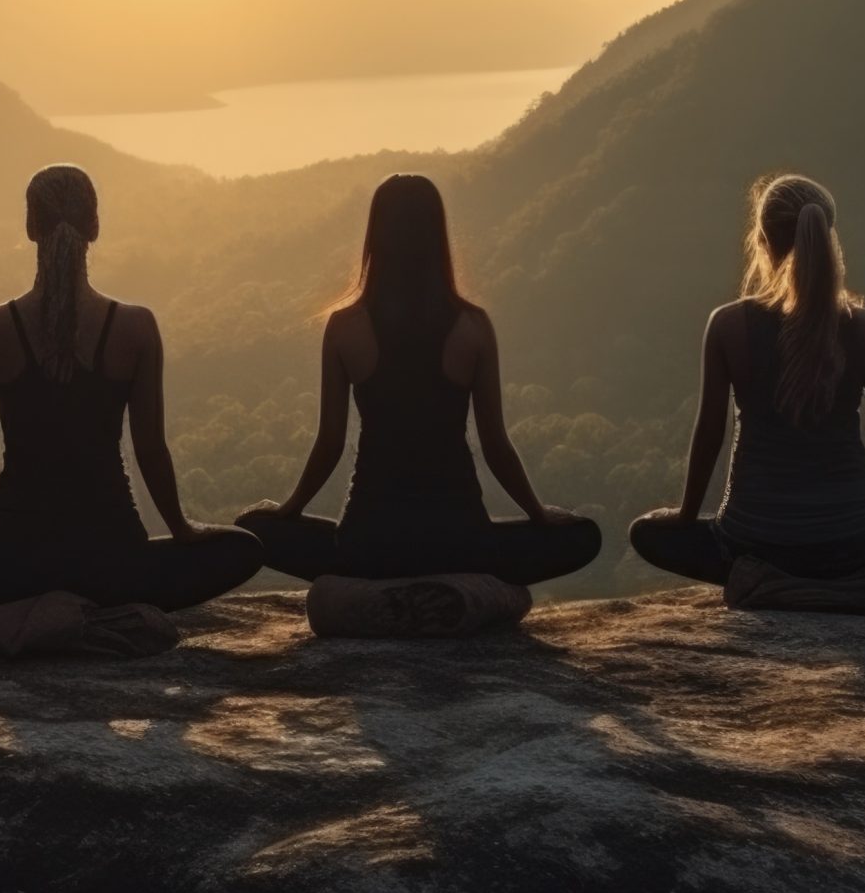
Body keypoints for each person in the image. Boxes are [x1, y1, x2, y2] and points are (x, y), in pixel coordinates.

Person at [0, 164, 261, 617]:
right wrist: (183, 530)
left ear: (30, 228)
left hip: (10, 564)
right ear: (94, 227)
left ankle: (19, 597)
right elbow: (151, 449)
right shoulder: (136, 327)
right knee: (243, 548)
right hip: (113, 562)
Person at [238, 174, 601, 586]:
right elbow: (495, 444)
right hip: (461, 545)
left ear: (375, 236)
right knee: (582, 536)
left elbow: (330, 444)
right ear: (437, 236)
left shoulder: (344, 327)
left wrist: (290, 509)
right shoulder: (473, 325)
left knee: (254, 526)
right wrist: (538, 513)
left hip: (369, 547)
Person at [629, 173, 865, 585]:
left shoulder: (727, 326)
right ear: (828, 238)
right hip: (853, 545)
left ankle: (766, 579)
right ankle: (851, 576)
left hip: (752, 544)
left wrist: (686, 514)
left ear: (761, 241)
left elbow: (710, 431)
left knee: (646, 532)